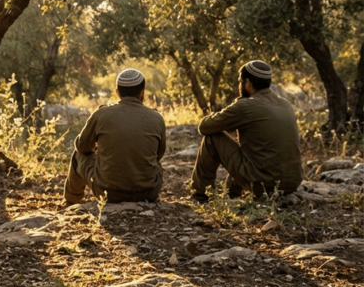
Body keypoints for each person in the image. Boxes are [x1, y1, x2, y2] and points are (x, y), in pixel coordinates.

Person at [190, 60, 302, 203]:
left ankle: (200, 195)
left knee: (212, 139)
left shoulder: (246, 105)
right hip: (291, 184)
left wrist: (236, 106)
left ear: (248, 83)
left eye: (240, 81)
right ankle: (231, 194)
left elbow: (205, 127)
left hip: (263, 185)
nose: (239, 85)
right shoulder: (285, 104)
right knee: (249, 151)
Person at [64, 68, 167, 205]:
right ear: (143, 92)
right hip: (148, 193)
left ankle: (71, 201)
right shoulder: (157, 118)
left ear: (117, 92)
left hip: (108, 193)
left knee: (78, 156)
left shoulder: (101, 114)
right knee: (156, 164)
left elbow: (82, 147)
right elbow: (158, 155)